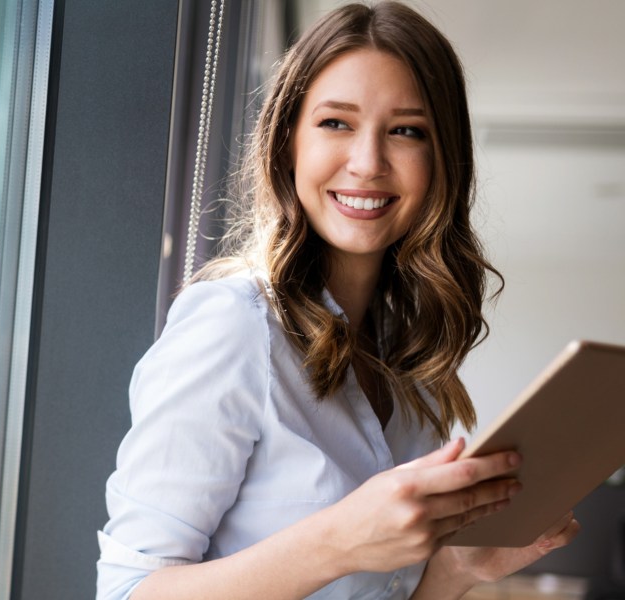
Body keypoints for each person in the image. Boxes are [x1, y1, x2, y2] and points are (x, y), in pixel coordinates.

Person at [97, 2, 579, 598]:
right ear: (287, 141)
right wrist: (337, 541)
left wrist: (458, 570)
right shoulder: (234, 324)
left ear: (441, 160)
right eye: (336, 123)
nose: (368, 163)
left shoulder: (412, 366)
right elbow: (128, 591)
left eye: (406, 131)